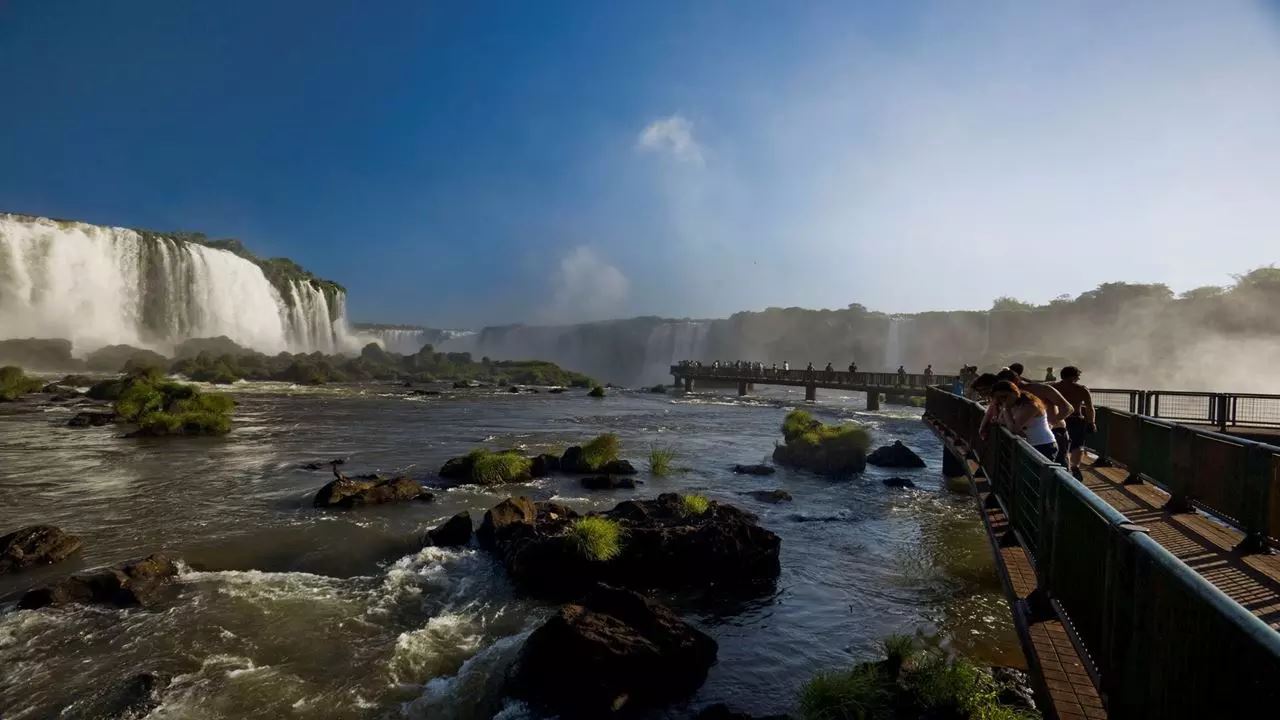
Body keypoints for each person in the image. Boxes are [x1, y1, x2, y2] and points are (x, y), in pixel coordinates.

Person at [995, 368, 1073, 463]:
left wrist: (1051, 423)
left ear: (1016, 381)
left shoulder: (1042, 389)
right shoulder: (1012, 397)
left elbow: (1068, 408)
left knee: (1060, 468)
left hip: (1055, 432)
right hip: (1031, 438)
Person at [990, 380, 1058, 460]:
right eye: (998, 398)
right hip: (1028, 445)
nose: (1002, 400)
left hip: (1042, 445)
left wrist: (1006, 409)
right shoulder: (1012, 404)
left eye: (1004, 396)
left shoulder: (1030, 405)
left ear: (1015, 393)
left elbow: (1014, 428)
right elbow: (1001, 420)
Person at [1052, 366, 1095, 479]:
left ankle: (1062, 465)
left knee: (1061, 443)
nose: (1078, 379)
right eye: (1078, 376)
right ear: (1073, 376)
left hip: (1059, 419)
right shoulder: (1082, 389)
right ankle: (1075, 466)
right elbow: (1090, 408)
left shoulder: (1054, 388)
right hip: (1076, 419)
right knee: (1078, 445)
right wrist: (1091, 422)